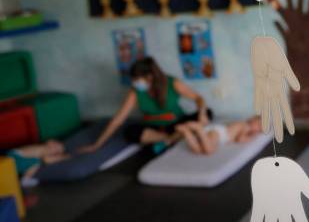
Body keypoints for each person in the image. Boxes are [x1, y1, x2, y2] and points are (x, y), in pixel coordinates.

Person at [79, 57, 211, 153]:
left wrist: (202, 113)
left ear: (150, 77)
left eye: (137, 80)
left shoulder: (172, 83)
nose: (134, 83)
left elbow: (198, 98)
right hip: (154, 130)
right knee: (129, 132)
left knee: (209, 113)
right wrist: (97, 145)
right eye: (133, 80)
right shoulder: (135, 92)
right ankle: (173, 139)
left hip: (178, 125)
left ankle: (171, 140)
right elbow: (118, 119)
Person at [176, 116, 262, 155]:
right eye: (258, 125)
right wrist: (252, 136)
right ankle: (199, 129)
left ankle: (186, 132)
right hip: (219, 133)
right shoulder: (245, 126)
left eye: (260, 129)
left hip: (217, 133)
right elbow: (239, 139)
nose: (258, 129)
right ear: (252, 119)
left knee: (198, 150)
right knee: (209, 150)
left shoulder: (243, 124)